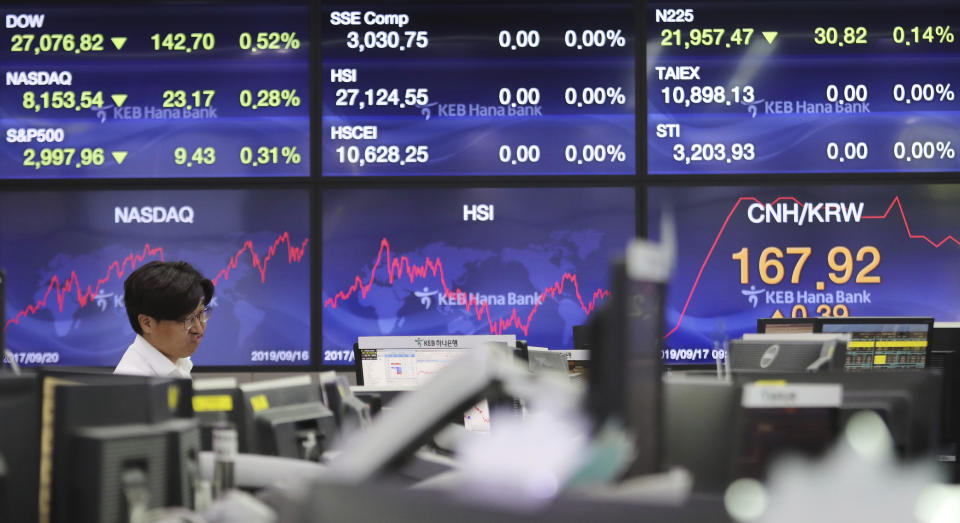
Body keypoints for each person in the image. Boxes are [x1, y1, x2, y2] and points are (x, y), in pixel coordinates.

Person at [114, 260, 214, 378]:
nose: (199, 329)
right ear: (147, 323)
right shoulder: (134, 385)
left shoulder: (178, 362)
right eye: (186, 319)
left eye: (201, 314)